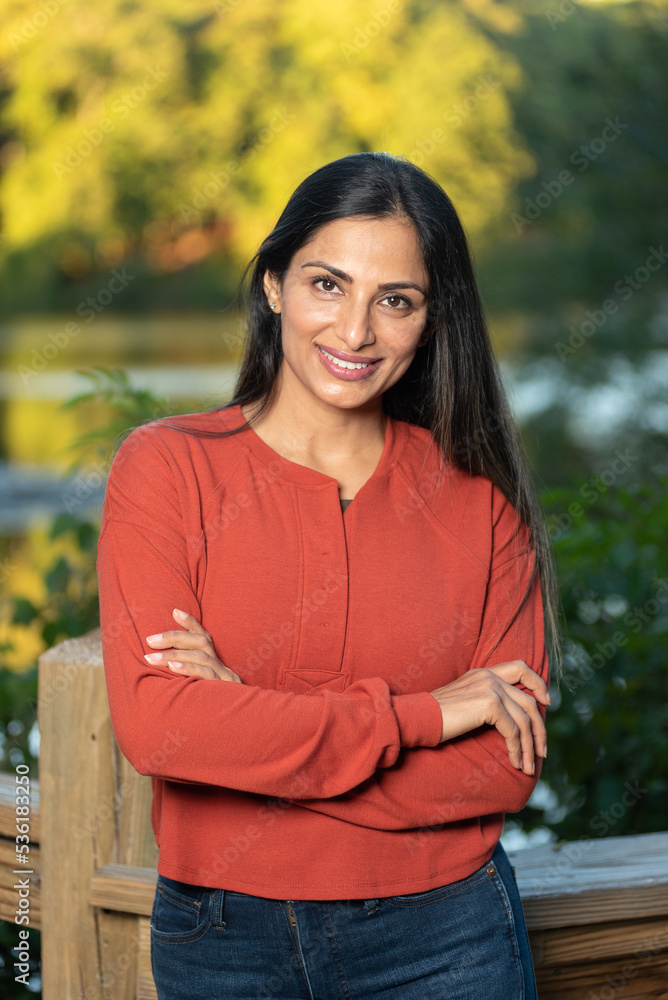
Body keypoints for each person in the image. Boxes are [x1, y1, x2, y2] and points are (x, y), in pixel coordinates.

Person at [96, 151, 561, 1000]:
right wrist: (430, 713)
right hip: (221, 939)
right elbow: (163, 730)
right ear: (273, 284)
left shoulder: (482, 503)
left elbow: (501, 767)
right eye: (326, 284)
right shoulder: (167, 469)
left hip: (445, 935)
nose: (354, 333)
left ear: (432, 318)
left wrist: (246, 725)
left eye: (396, 301)